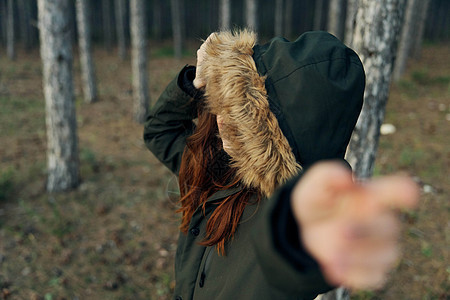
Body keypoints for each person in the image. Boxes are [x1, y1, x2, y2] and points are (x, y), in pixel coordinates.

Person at [143, 29, 419, 300]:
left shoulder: (291, 216)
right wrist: (195, 82)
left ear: (277, 139)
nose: (222, 123)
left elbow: (296, 261)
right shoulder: (216, 167)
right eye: (224, 106)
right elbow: (159, 130)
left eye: (244, 121)